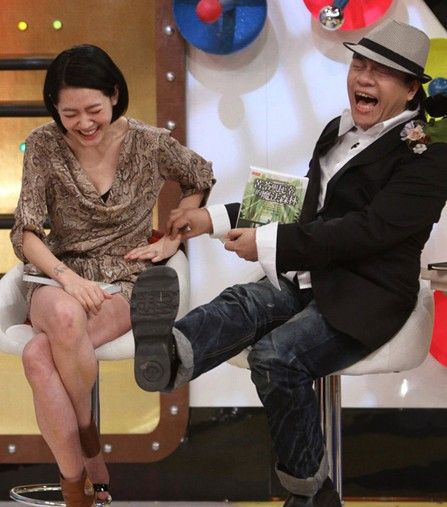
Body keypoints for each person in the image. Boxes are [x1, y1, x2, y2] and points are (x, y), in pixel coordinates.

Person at [130, 19, 447, 507]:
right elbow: (303, 204)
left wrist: (269, 243)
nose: (364, 77)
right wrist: (212, 218)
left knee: (277, 357)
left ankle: (310, 493)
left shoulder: (429, 155)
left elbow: (367, 231)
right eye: (359, 64)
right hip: (308, 272)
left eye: (382, 71)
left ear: (410, 90)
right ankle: (168, 357)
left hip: (369, 292)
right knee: (243, 302)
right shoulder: (337, 129)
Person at [10, 45, 214, 507]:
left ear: (114, 95)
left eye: (93, 110)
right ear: (54, 109)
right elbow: (26, 232)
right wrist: (68, 279)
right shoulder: (43, 144)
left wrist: (173, 238)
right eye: (69, 114)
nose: (83, 123)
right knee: (65, 318)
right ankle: (90, 451)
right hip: (58, 274)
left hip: (126, 276)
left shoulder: (149, 142)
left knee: (40, 355)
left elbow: (199, 177)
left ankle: (75, 485)